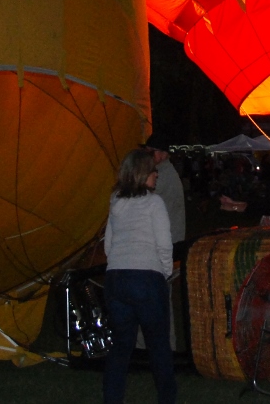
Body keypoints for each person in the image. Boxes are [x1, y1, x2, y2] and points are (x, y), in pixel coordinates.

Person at [103, 149, 177, 404]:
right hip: (146, 279)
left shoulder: (116, 200)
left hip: (116, 280)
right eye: (153, 170)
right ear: (143, 173)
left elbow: (109, 245)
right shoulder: (153, 202)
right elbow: (164, 244)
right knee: (158, 346)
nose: (157, 174)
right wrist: (165, 271)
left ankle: (112, 399)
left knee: (121, 347)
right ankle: (167, 399)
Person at [146, 133, 186, 252]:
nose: (147, 156)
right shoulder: (162, 171)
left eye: (151, 152)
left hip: (167, 239)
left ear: (163, 154)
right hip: (168, 237)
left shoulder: (161, 174)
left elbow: (143, 198)